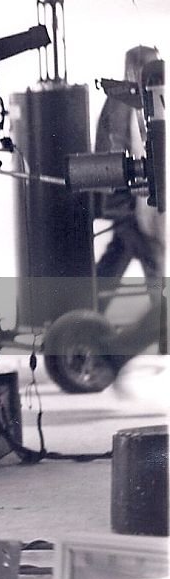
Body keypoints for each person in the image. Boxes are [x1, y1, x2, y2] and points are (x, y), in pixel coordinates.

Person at [93, 45, 164, 353]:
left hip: (126, 204)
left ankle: (83, 316)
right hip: (126, 204)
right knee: (152, 262)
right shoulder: (124, 102)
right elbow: (122, 155)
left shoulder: (130, 100)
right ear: (136, 70)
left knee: (116, 263)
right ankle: (164, 332)